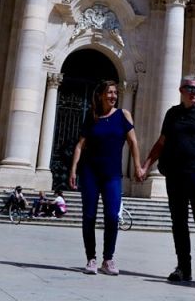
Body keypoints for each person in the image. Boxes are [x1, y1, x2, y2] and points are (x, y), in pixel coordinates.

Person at [138, 76, 195, 287]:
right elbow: (161, 142)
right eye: (190, 89)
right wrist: (146, 165)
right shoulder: (172, 114)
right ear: (181, 90)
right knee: (179, 222)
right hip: (175, 175)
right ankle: (183, 267)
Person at [69, 80, 142, 276]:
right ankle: (91, 259)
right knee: (89, 216)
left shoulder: (123, 115)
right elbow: (79, 145)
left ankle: (107, 259)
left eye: (115, 93)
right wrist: (73, 169)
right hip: (90, 173)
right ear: (101, 94)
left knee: (112, 216)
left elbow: (133, 142)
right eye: (109, 93)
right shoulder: (92, 116)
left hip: (112, 174)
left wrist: (137, 166)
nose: (113, 96)